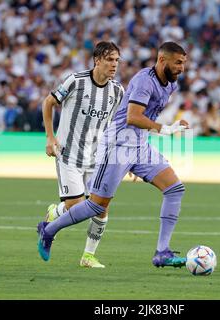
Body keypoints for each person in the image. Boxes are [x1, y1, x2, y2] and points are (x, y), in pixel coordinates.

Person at [37, 42, 189, 268]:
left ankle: (162, 253)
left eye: (184, 63)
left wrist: (135, 162)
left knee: (175, 189)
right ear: (162, 60)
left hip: (138, 145)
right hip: (117, 144)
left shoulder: (169, 85)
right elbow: (132, 117)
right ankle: (49, 230)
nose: (182, 68)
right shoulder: (143, 81)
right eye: (178, 63)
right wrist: (165, 129)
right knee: (96, 206)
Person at [41, 41, 124, 268]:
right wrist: (50, 137)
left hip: (96, 159)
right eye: (109, 59)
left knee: (102, 206)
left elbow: (119, 126)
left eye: (117, 60)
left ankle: (88, 256)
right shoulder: (76, 81)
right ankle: (54, 213)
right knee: (77, 207)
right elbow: (48, 103)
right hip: (69, 156)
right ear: (97, 60)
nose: (114, 64)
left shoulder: (117, 91)